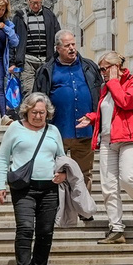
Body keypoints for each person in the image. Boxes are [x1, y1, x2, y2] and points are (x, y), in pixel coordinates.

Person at [0, 92, 73, 265]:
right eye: (34, 112)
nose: (38, 116)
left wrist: (63, 174)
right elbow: (2, 157)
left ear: (47, 113)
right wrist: (0, 185)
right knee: (25, 228)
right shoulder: (14, 128)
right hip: (23, 188)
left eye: (42, 113)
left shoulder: (53, 131)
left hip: (49, 189)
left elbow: (62, 158)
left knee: (45, 231)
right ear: (26, 111)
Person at [96, 50, 133, 244]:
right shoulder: (106, 88)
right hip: (108, 140)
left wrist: (114, 82)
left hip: (130, 137)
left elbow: (126, 103)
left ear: (115, 67)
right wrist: (92, 117)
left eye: (104, 69)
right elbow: (109, 113)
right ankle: (116, 228)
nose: (102, 73)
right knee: (108, 186)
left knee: (129, 178)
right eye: (100, 70)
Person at [44, 29, 101, 183]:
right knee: (55, 174)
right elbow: (40, 98)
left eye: (73, 44)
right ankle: (58, 200)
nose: (71, 48)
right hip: (58, 132)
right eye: (67, 45)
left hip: (85, 133)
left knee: (84, 174)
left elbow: (99, 94)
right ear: (58, 48)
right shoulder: (47, 70)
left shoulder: (89, 67)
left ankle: (83, 200)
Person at [17, 0, 60, 118]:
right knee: (28, 91)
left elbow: (57, 35)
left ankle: (44, 119)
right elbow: (14, 40)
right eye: (33, 2)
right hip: (28, 60)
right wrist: (13, 62)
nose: (36, 5)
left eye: (39, 2)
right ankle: (27, 120)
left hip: (46, 60)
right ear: (28, 1)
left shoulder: (49, 15)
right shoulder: (20, 17)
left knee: (45, 91)